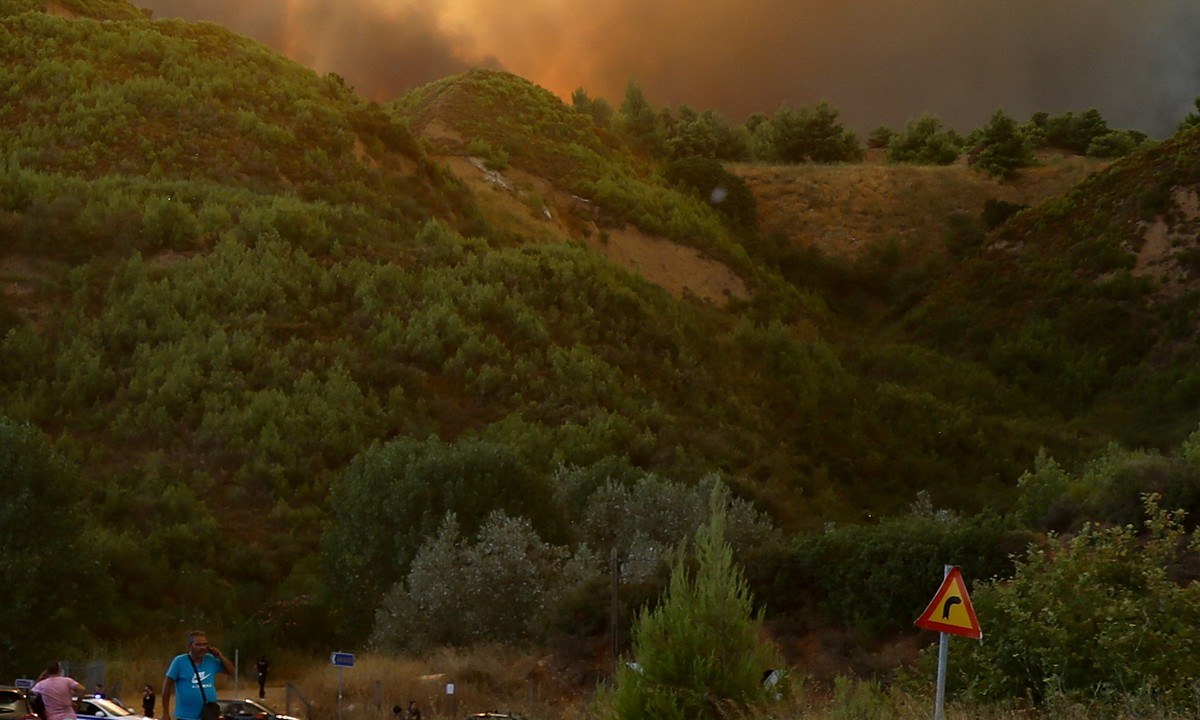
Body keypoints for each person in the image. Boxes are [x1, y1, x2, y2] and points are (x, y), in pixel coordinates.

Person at [161, 630, 234, 720]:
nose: (202, 648)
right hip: (186, 716)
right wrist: (165, 712)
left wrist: (220, 657)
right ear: (190, 646)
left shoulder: (210, 660)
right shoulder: (180, 661)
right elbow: (167, 686)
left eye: (204, 644)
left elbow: (231, 671)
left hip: (208, 715)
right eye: (198, 645)